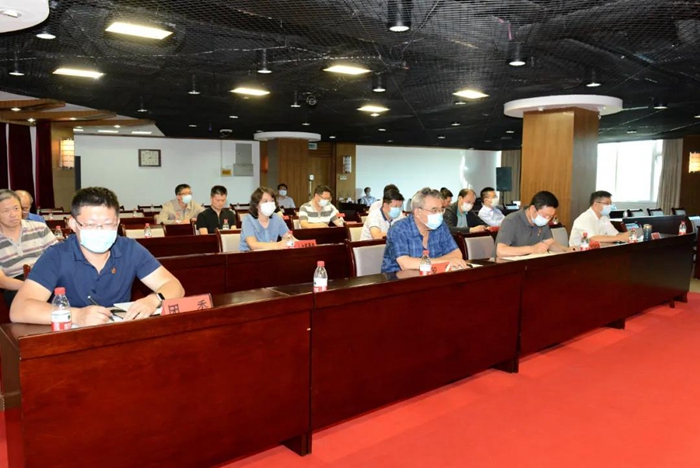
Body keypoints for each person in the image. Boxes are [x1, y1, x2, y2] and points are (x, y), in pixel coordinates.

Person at [10, 187, 185, 326]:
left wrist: (153, 299)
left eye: (108, 224)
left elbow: (174, 286)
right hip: (71, 338)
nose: (100, 231)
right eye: (91, 225)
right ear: (73, 224)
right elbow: (19, 309)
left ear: (117, 222)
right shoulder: (57, 255)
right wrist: (76, 315)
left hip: (119, 334)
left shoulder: (129, 249)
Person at [381, 187, 468, 273]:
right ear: (417, 212)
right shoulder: (399, 229)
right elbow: (406, 264)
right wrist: (445, 261)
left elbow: (457, 254)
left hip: (433, 276)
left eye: (441, 210)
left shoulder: (441, 226)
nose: (439, 215)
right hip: (397, 279)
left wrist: (435, 263)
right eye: (434, 210)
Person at [0, 189, 57, 307]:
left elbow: (58, 259)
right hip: (16, 285)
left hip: (46, 277)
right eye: (6, 210)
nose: (13, 214)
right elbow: (2, 281)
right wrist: (32, 287)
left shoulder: (40, 228)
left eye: (16, 208)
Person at [495, 190, 571, 258]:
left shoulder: (543, 223)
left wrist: (566, 250)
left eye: (550, 216)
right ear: (532, 209)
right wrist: (532, 249)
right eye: (545, 215)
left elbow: (550, 243)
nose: (547, 219)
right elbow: (501, 251)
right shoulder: (511, 220)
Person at [240, 187, 296, 251]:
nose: (269, 204)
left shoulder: (276, 218)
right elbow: (253, 245)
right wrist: (277, 245)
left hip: (271, 255)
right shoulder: (248, 219)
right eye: (265, 201)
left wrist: (302, 244)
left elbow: (290, 238)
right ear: (256, 205)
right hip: (249, 255)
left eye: (272, 201)